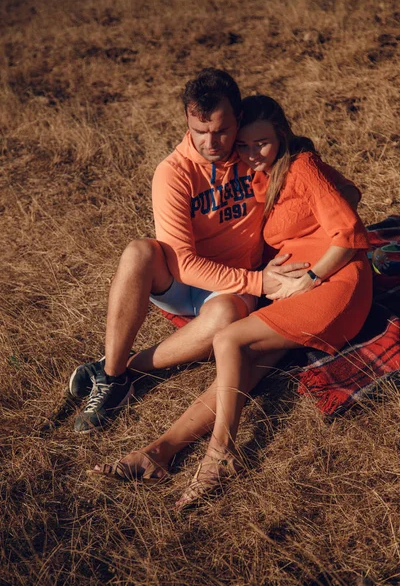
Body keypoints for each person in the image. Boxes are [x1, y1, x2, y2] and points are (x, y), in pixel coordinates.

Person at [87, 95, 372, 506]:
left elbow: (348, 230)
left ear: (283, 135)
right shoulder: (265, 173)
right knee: (244, 370)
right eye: (245, 144)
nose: (251, 153)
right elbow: (350, 191)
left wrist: (312, 272)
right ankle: (160, 451)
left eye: (262, 143)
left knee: (228, 341)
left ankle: (221, 456)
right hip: (294, 289)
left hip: (331, 287)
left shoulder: (302, 164)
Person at [69, 69, 313, 433]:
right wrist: (260, 281)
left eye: (221, 131)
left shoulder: (254, 153)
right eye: (200, 132)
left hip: (229, 289)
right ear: (187, 119)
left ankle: (117, 371)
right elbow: (182, 263)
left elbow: (320, 186)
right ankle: (112, 375)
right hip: (185, 280)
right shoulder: (172, 172)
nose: (211, 142)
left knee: (227, 314)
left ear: (239, 119)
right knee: (138, 252)